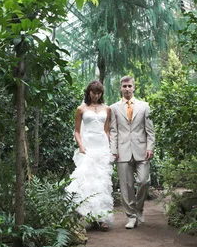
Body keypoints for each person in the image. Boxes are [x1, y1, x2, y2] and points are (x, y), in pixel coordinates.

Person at [66, 80, 114, 231]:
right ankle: (87, 215)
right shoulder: (81, 109)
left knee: (102, 182)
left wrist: (109, 145)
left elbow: (106, 130)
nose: (96, 95)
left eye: (99, 93)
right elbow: (77, 131)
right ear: (88, 92)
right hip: (87, 147)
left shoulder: (106, 109)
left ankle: (102, 218)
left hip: (102, 148)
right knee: (87, 181)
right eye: (93, 92)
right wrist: (80, 145)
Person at [110, 76, 155, 229]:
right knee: (126, 186)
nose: (127, 89)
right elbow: (113, 131)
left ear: (134, 87)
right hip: (122, 151)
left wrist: (150, 147)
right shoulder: (114, 108)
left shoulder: (144, 106)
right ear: (120, 88)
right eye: (124, 86)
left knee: (144, 181)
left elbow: (150, 130)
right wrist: (114, 151)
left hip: (142, 150)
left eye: (129, 86)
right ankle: (131, 216)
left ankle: (139, 208)